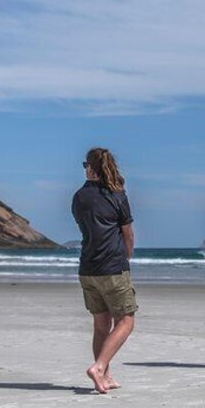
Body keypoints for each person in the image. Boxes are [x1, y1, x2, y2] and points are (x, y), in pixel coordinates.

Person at [72, 148, 137, 394]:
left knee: (101, 323)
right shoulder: (117, 195)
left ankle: (106, 375)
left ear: (91, 168)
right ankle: (99, 367)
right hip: (112, 266)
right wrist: (126, 257)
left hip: (87, 268)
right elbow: (127, 234)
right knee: (126, 320)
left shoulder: (79, 197)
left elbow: (89, 227)